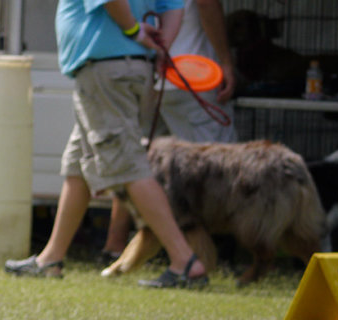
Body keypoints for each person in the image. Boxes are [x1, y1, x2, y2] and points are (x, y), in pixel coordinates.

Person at [6, 0, 208, 288]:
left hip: (106, 72)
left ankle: (185, 261)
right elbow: (174, 7)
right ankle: (51, 258)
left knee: (129, 165)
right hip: (127, 69)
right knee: (78, 164)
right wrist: (160, 46)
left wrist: (135, 31)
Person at [101, 0, 237, 258]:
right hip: (190, 73)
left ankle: (115, 243)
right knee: (216, 166)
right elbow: (207, 4)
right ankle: (207, 251)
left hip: (148, 69)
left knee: (136, 162)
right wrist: (226, 62)